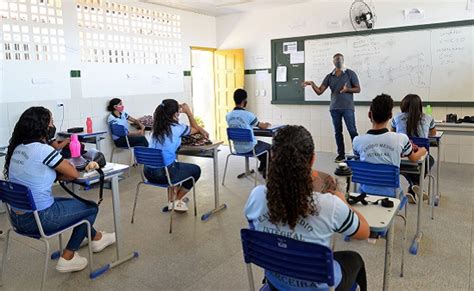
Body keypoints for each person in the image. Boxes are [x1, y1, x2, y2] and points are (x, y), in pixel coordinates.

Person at [245, 125, 370, 291]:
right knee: (354, 259)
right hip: (317, 286)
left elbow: (256, 227)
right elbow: (364, 232)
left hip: (275, 282)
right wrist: (343, 203)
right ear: (312, 160)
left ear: (273, 156)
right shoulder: (329, 205)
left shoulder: (257, 195)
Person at [3, 107, 115, 273]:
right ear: (41, 126)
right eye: (51, 122)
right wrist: (63, 171)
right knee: (90, 208)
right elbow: (73, 173)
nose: (53, 126)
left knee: (78, 206)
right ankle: (68, 257)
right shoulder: (43, 150)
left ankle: (97, 238)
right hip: (40, 219)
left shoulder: (18, 149)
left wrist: (56, 174)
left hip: (17, 219)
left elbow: (36, 175)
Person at [352, 94, 427, 199]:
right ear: (390, 115)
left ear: (369, 115)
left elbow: (358, 160)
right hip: (393, 196)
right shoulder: (401, 139)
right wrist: (423, 150)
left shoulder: (357, 141)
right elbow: (414, 159)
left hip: (364, 195)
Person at [145, 100, 208, 212]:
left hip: (147, 173)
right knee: (195, 170)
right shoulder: (176, 127)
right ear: (175, 114)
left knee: (173, 164)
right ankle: (176, 200)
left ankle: (172, 200)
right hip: (164, 174)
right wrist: (188, 112)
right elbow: (195, 129)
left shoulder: (156, 127)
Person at [303, 53, 361, 163]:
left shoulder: (350, 73)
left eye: (339, 60)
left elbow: (358, 89)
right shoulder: (329, 76)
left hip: (348, 107)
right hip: (334, 108)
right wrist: (312, 83)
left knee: (352, 131)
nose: (337, 61)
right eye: (336, 60)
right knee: (337, 132)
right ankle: (341, 155)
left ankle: (357, 154)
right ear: (333, 62)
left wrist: (347, 89)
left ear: (343, 60)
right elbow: (320, 91)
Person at [391, 94, 436, 203]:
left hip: (401, 155)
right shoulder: (428, 118)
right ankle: (415, 185)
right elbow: (433, 134)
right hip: (420, 155)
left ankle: (411, 190)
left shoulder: (397, 117)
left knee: (404, 165)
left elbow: (392, 134)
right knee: (430, 160)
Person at [226, 89, 271, 177]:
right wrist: (267, 124)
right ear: (244, 101)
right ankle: (265, 171)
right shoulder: (249, 115)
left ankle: (262, 167)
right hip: (250, 148)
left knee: (261, 148)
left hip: (237, 148)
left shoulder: (228, 115)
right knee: (269, 147)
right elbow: (262, 126)